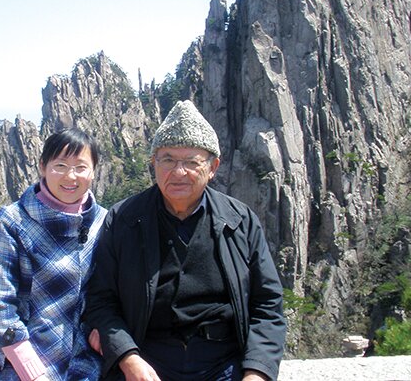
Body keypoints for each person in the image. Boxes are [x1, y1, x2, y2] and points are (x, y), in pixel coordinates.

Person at [84, 100, 286, 381]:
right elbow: (101, 301)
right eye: (167, 159)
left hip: (222, 362)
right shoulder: (123, 220)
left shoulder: (239, 221)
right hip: (147, 358)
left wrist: (257, 372)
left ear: (213, 167)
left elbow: (267, 304)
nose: (178, 172)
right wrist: (128, 359)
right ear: (153, 163)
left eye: (192, 162)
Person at [0, 128, 106, 381]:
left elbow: (112, 290)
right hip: (26, 358)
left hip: (87, 358)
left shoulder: (102, 222)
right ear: (42, 166)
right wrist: (32, 371)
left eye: (80, 167)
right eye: (60, 165)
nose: (70, 176)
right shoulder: (14, 220)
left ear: (93, 171)